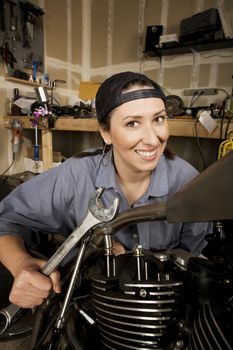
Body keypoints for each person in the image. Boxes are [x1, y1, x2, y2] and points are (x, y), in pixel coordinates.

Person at [0, 71, 212, 310]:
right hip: (88, 303)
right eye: (133, 123)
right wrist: (21, 264)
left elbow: (198, 260)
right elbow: (7, 218)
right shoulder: (76, 175)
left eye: (159, 119)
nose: (153, 139)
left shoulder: (188, 182)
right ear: (106, 132)